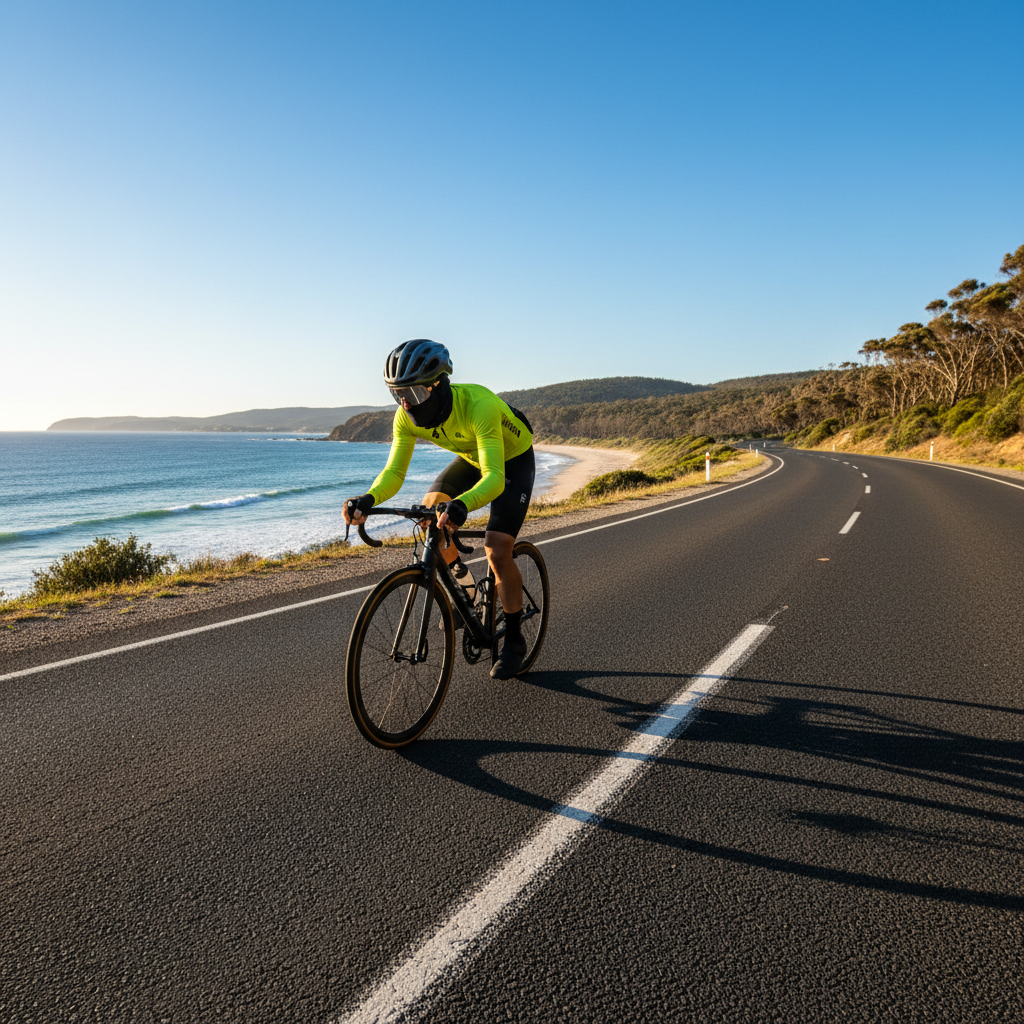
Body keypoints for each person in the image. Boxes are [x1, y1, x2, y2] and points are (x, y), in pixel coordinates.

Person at [342, 339, 536, 679]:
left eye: (413, 393)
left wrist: (462, 505)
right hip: (472, 457)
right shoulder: (406, 418)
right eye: (397, 395)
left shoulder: (479, 406)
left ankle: (515, 638)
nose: (405, 403)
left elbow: (494, 478)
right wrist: (369, 499)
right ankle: (469, 592)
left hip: (512, 461)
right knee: (430, 515)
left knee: (496, 549)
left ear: (438, 384)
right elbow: (394, 473)